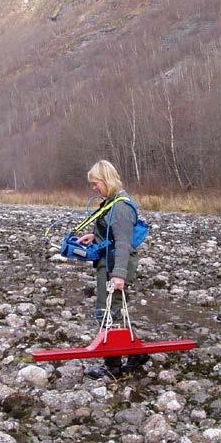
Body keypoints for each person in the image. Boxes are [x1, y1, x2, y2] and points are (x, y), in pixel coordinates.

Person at [77, 160, 149, 378]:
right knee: (111, 310)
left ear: (106, 180)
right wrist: (95, 236)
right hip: (107, 262)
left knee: (108, 312)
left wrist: (118, 275)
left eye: (95, 183)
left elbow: (124, 244)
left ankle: (113, 366)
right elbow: (111, 234)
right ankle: (135, 354)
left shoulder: (120, 207)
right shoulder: (112, 202)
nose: (93, 188)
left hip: (116, 265)